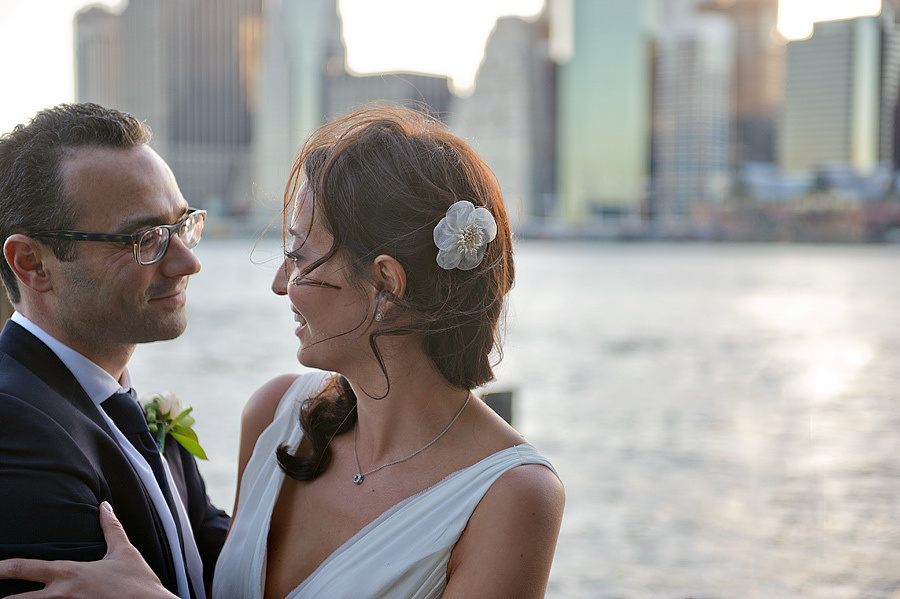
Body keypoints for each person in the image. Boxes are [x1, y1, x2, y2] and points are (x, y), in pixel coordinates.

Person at [0, 105, 564, 598]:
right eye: (144, 239)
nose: (278, 283)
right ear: (30, 263)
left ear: (386, 285)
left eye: (297, 256)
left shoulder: (514, 496)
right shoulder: (276, 415)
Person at [0, 103, 229, 598]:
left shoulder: (124, 406)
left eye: (182, 226)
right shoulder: (12, 425)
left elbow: (226, 564)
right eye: (145, 238)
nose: (187, 262)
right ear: (32, 263)